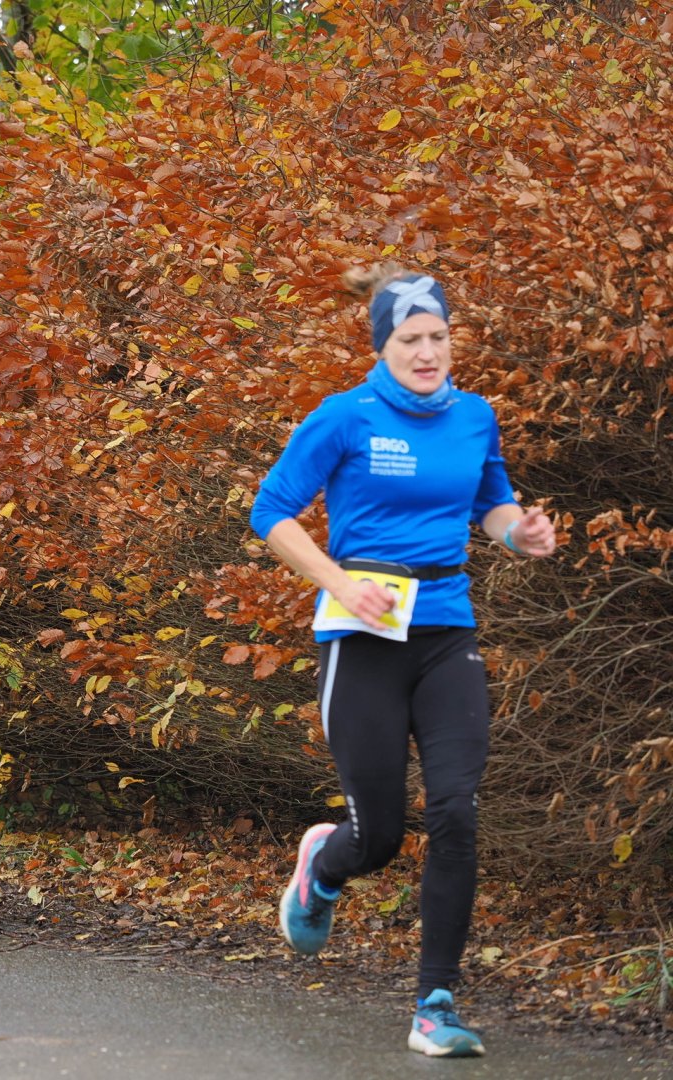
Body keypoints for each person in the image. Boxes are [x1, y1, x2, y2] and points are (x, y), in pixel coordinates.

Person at [249, 265, 557, 1057]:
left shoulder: (474, 416)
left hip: (447, 630)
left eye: (438, 337)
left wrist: (518, 533)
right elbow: (271, 511)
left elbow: (490, 501)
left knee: (456, 810)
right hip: (364, 637)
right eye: (411, 339)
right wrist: (339, 583)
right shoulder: (344, 417)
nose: (427, 353)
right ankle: (324, 866)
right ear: (382, 347)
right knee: (379, 835)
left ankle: (435, 1006)